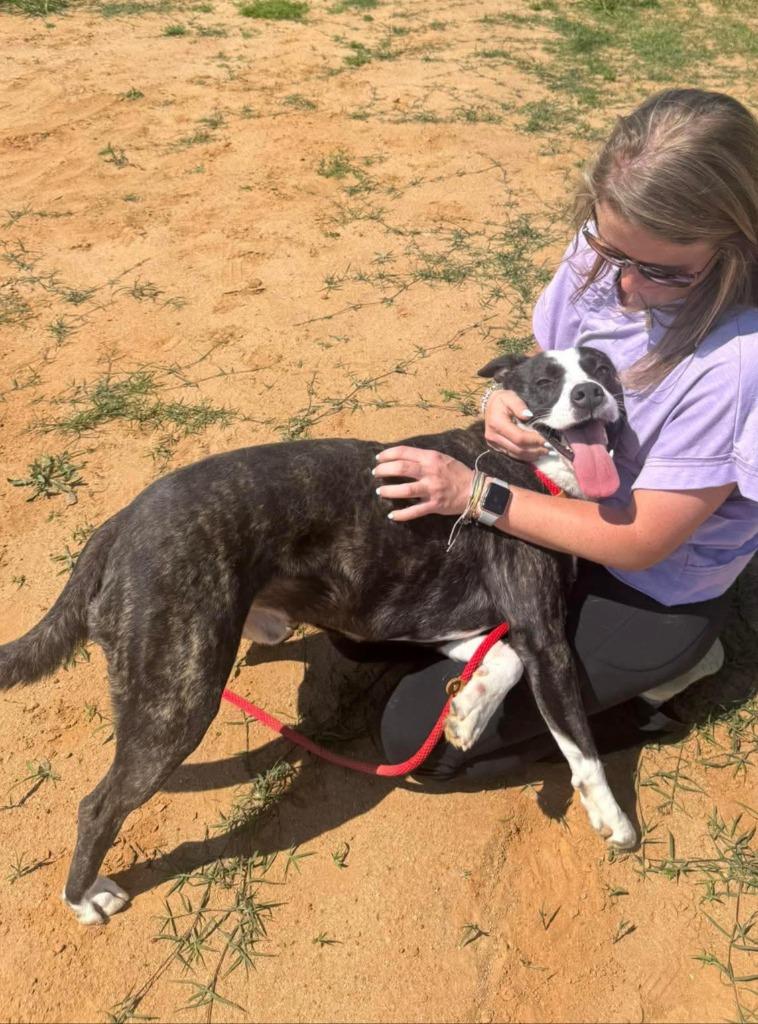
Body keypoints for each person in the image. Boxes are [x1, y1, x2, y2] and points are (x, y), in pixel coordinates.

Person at [372, 88, 758, 781]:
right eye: (611, 251)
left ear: (739, 244)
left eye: (662, 271)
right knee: (364, 638)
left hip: (649, 577)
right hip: (558, 495)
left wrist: (478, 495)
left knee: (416, 740)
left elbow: (642, 539)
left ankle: (677, 670)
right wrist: (505, 399)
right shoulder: (607, 251)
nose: (626, 286)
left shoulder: (740, 361)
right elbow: (551, 360)